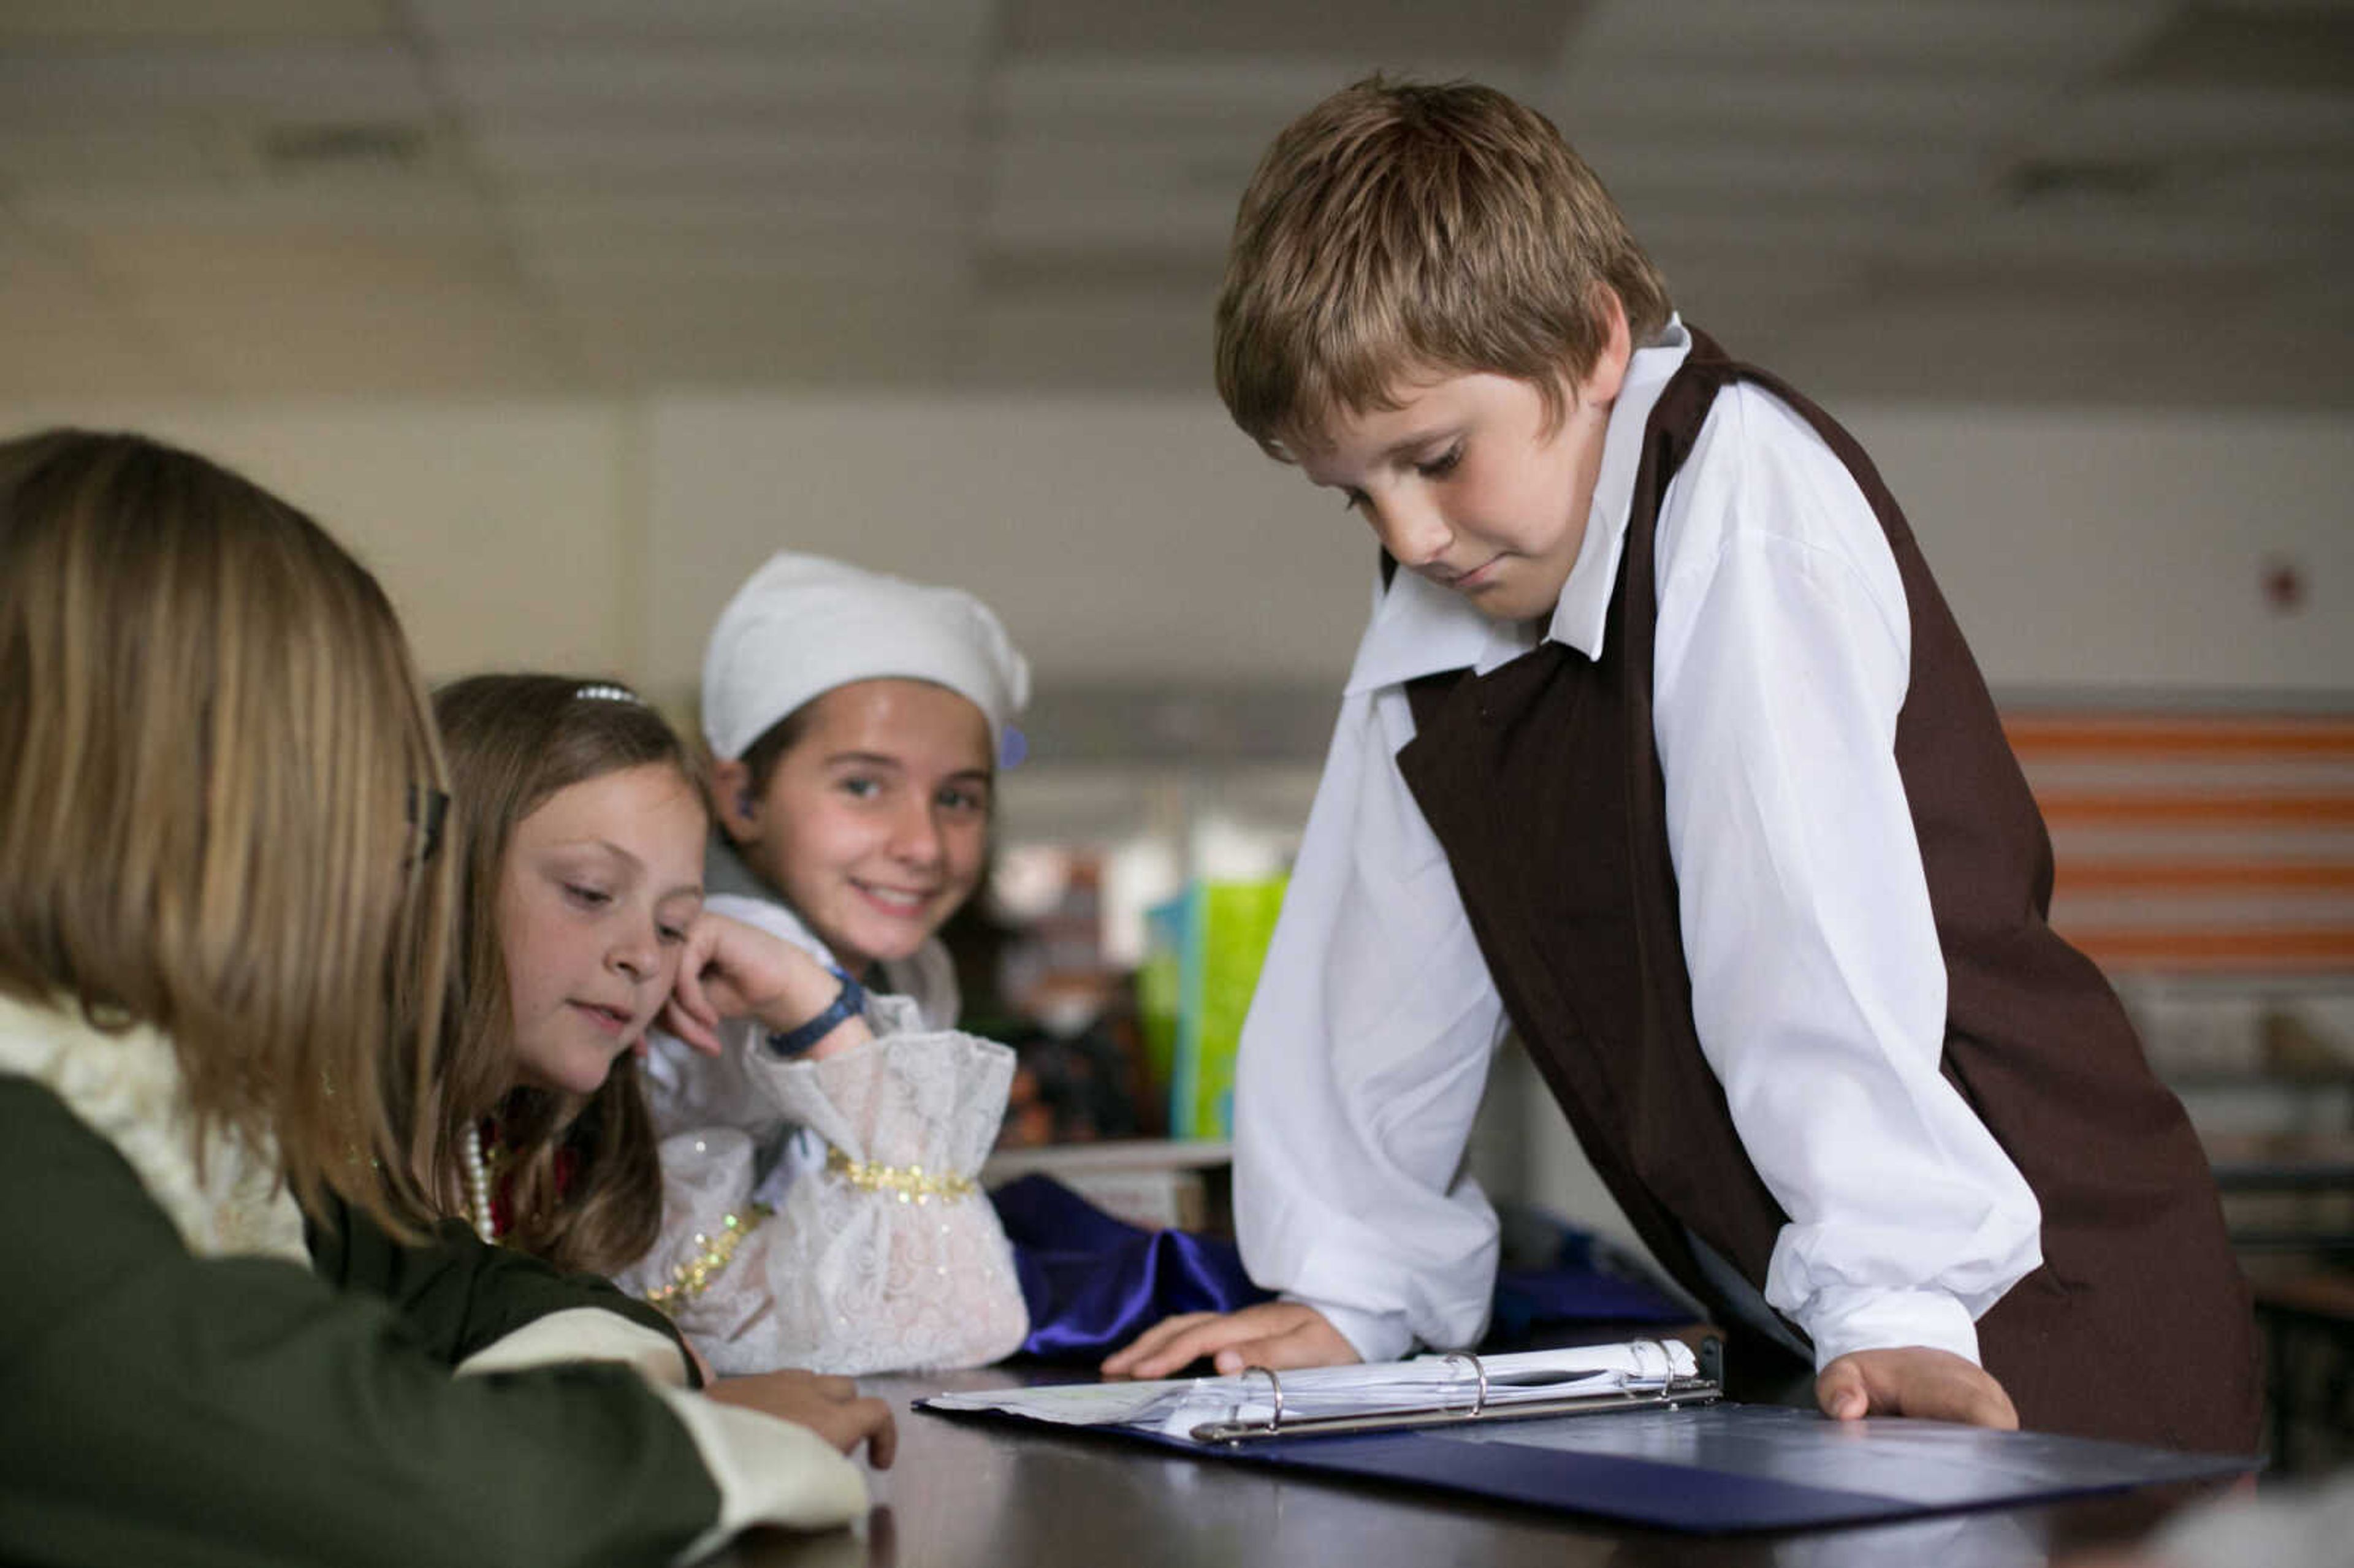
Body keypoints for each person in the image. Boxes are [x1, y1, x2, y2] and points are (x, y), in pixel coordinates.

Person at [1103, 78, 2259, 1455]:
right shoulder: (1449, 582)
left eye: (1435, 458)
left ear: (1594, 343)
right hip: (1839, 1316)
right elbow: (1379, 947)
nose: (1408, 532)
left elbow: (1799, 928)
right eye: (1357, 492)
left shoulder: (1738, 493)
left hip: (2015, 1301)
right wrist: (1355, 1283)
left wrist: (1892, 1287)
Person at [0, 429, 891, 1568]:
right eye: (354, 793)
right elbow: (404, 1492)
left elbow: (447, 1289)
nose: (388, 863)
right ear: (153, 786)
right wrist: (696, 1443)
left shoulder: (165, 1094)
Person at [633, 552, 1034, 1375]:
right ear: (740, 797)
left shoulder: (915, 969)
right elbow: (950, 1314)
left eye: (957, 797)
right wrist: (817, 1013)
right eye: (863, 786)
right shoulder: (704, 984)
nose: (921, 844)